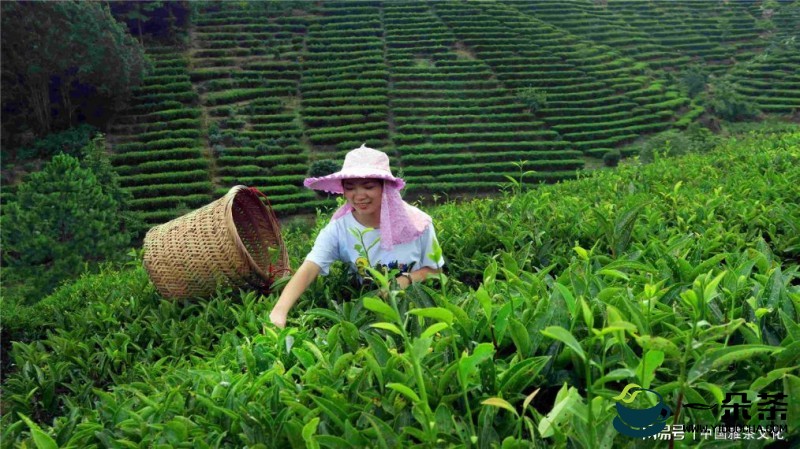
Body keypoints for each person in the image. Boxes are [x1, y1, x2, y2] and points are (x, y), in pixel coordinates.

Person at [269, 144, 444, 329]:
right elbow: (311, 266)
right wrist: (280, 310)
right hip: (367, 315)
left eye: (368, 186)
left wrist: (405, 280)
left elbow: (436, 270)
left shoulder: (418, 224)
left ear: (385, 188)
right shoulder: (339, 228)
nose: (359, 196)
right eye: (351, 188)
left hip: (416, 313)